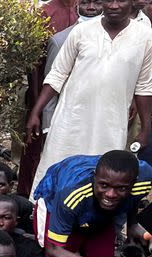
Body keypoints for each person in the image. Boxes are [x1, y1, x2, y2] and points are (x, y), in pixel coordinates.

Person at [26, 0, 152, 195]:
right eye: (109, 0)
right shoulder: (81, 31)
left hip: (110, 123)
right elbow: (57, 74)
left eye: (121, 1)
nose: (114, 5)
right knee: (57, 172)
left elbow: (144, 86)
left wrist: (145, 129)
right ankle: (45, 221)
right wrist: (36, 112)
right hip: (71, 120)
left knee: (104, 178)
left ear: (132, 3)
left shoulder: (145, 36)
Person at [16, 0, 80, 196]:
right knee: (36, 150)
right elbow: (35, 68)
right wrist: (38, 107)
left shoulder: (87, 8)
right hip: (45, 97)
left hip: (78, 99)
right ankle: (28, 198)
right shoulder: (44, 15)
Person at [39, 1, 105, 143]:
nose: (91, 8)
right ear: (77, 5)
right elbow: (52, 84)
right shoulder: (60, 41)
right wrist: (48, 126)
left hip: (103, 121)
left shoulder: (118, 39)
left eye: (97, 3)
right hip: (68, 121)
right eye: (85, 2)